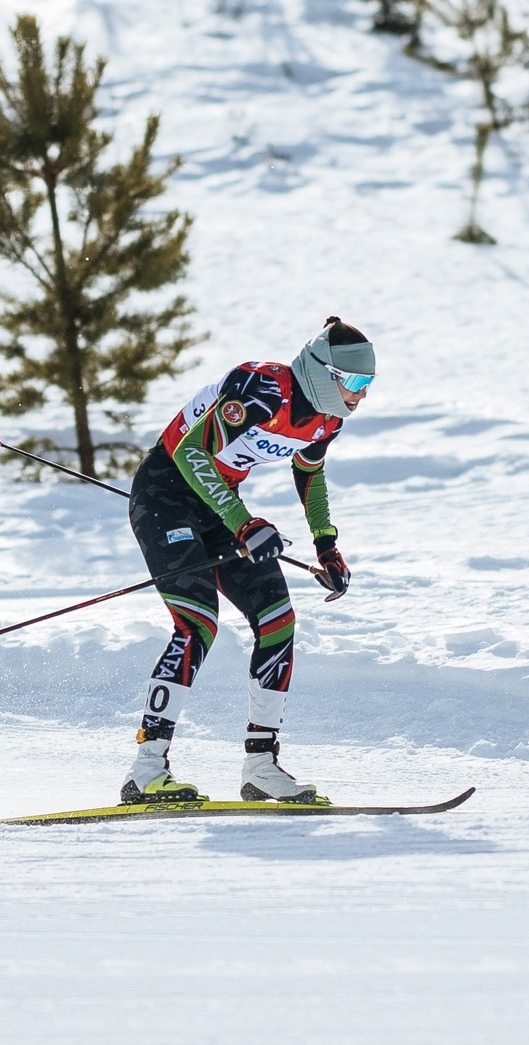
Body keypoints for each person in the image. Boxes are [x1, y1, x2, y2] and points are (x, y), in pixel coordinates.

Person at [119, 317, 372, 805]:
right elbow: (192, 455)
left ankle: (260, 765)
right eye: (355, 382)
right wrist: (243, 524)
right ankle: (145, 770)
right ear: (323, 372)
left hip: (218, 505)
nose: (361, 395)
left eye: (368, 385)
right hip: (165, 493)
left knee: (278, 620)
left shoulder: (326, 420)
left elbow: (310, 476)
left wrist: (325, 544)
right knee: (197, 623)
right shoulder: (259, 388)